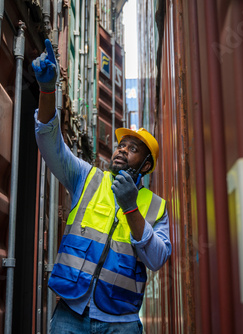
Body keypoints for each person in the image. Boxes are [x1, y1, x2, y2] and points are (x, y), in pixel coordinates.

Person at [33, 39, 172, 334]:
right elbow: (50, 143)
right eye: (121, 144)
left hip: (120, 323)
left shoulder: (156, 207)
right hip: (71, 312)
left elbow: (158, 259)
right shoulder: (87, 178)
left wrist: (131, 207)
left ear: (145, 165)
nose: (122, 149)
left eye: (133, 148)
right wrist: (47, 92)